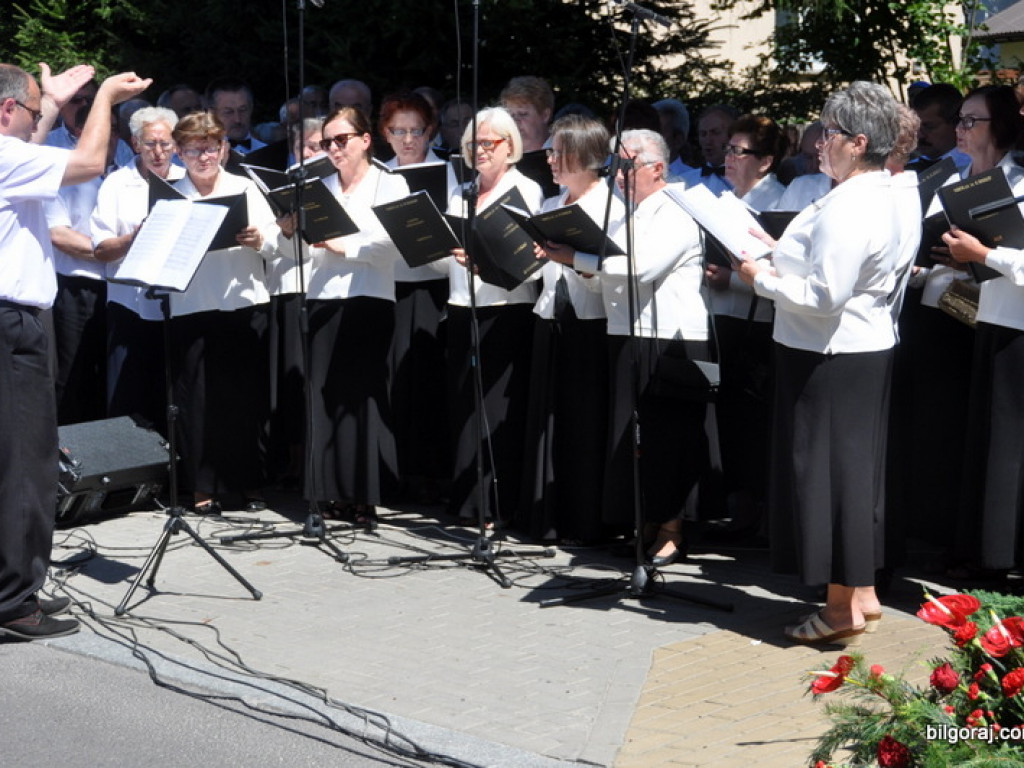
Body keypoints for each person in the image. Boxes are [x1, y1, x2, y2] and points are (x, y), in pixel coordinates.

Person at [738, 81, 920, 646]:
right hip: (852, 351)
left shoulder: (855, 204)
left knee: (829, 481)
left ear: (858, 141)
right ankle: (860, 592)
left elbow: (824, 296)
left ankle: (840, 611)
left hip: (830, 355)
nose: (818, 142)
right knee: (853, 477)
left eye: (830, 133)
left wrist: (760, 276)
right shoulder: (874, 194)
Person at [0, 61, 150, 640]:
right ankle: (13, 602)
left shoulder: (13, 153)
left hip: (14, 321)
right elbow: (87, 162)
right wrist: (107, 96)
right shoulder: (7, 156)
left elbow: (32, 142)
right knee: (24, 466)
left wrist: (53, 104)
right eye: (34, 109)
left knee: (20, 461)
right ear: (9, 109)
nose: (41, 119)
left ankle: (18, 584)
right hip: (11, 325)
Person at [579, 129, 711, 563]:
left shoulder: (675, 209)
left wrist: (576, 259)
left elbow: (642, 266)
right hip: (629, 332)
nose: (618, 175)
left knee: (669, 439)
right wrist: (589, 268)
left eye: (627, 165)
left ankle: (673, 529)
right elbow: (613, 265)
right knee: (635, 439)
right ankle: (647, 521)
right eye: (614, 166)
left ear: (656, 168)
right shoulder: (626, 212)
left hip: (671, 340)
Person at [518, 114, 624, 543]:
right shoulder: (551, 202)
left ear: (584, 156)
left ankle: (585, 520)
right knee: (550, 417)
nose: (550, 159)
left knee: (584, 422)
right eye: (549, 150)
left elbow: (617, 271)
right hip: (550, 316)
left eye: (558, 152)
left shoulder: (611, 205)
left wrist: (572, 261)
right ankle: (549, 514)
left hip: (591, 322)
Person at [300, 106, 408, 525]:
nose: (334, 149)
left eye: (341, 140)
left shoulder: (390, 184)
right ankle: (327, 492)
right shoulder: (320, 186)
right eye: (327, 142)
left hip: (370, 297)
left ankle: (362, 494)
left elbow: (392, 242)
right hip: (324, 296)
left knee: (361, 397)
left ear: (366, 140)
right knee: (324, 396)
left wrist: (346, 245)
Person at [167, 111, 279, 512]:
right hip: (191, 305)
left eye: (212, 148)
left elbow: (278, 246)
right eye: (195, 150)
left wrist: (258, 240)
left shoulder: (245, 188)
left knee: (243, 399)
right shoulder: (171, 194)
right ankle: (202, 487)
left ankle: (248, 482)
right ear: (179, 153)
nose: (204, 157)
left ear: (225, 149)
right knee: (196, 401)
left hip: (243, 302)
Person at [936, 85, 1024, 578]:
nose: (961, 130)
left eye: (972, 121)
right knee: (981, 440)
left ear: (1002, 126)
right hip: (982, 317)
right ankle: (974, 546)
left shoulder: (1021, 181)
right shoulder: (958, 178)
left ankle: (1001, 557)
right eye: (960, 120)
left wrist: (984, 255)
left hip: (1019, 324)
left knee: (1010, 446)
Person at [444, 106, 543, 525]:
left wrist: (484, 259)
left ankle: (498, 505)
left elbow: (532, 259)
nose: (480, 151)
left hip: (507, 308)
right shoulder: (460, 192)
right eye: (473, 144)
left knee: (498, 408)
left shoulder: (527, 189)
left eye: (489, 143)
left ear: (510, 146)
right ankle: (468, 500)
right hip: (461, 306)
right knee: (464, 406)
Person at [705, 114, 788, 536]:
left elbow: (779, 277)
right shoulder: (721, 199)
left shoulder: (779, 204)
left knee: (752, 421)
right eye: (728, 149)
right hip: (723, 319)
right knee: (727, 419)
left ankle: (756, 509)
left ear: (766, 161)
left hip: (758, 324)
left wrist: (729, 277)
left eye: (740, 151)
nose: (729, 158)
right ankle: (733, 502)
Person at [91, 106, 184, 434]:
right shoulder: (117, 183)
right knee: (129, 398)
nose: (158, 152)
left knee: (173, 395)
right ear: (134, 144)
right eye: (150, 144)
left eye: (166, 144)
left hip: (177, 306)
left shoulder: (187, 181)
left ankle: (177, 475)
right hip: (128, 305)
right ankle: (130, 480)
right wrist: (134, 237)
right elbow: (101, 249)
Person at [378, 92, 453, 501]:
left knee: (426, 380)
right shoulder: (379, 175)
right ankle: (396, 471)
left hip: (431, 284)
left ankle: (431, 474)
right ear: (385, 134)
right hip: (389, 285)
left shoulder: (447, 171)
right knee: (393, 381)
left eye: (416, 131)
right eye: (399, 131)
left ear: (430, 131)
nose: (408, 140)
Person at [45, 104, 121, 425]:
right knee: (72, 378)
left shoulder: (128, 171)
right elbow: (59, 236)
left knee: (110, 378)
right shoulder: (60, 174)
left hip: (121, 291)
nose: (111, 136)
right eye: (103, 128)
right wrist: (112, 250)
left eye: (115, 128)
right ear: (79, 132)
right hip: (77, 290)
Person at [907, 83, 970, 174]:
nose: (920, 135)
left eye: (929, 127)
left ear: (956, 124)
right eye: (916, 127)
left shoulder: (974, 168)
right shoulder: (908, 170)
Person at [680, 104, 737, 195]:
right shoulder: (683, 182)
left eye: (715, 133)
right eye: (703, 134)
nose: (708, 140)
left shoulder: (750, 181)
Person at [206, 77, 265, 154]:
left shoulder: (269, 153)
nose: (237, 119)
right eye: (228, 112)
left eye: (242, 110)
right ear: (212, 114)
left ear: (251, 108)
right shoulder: (198, 157)